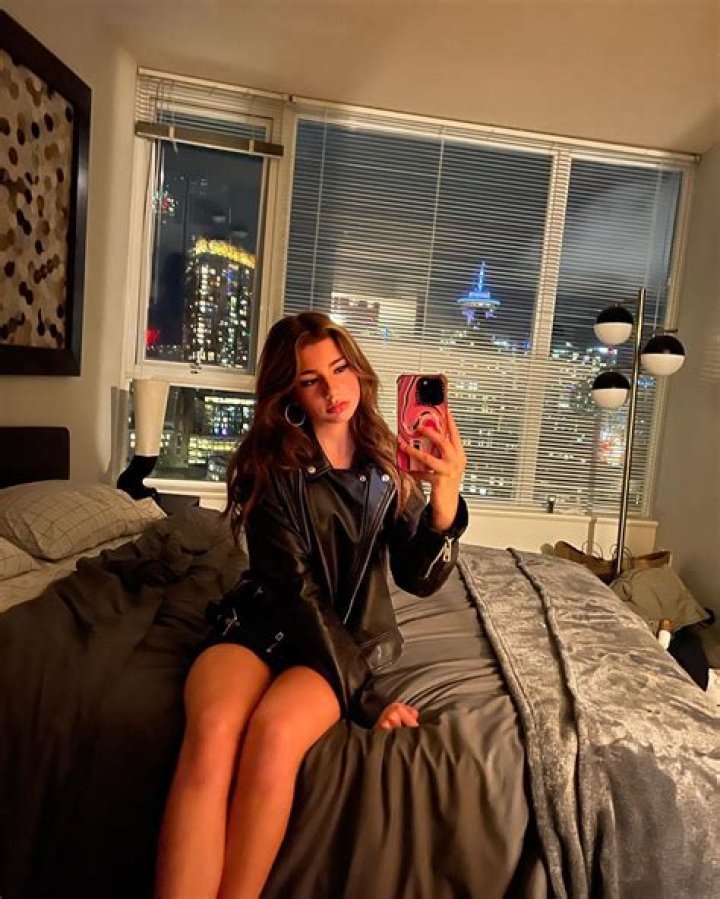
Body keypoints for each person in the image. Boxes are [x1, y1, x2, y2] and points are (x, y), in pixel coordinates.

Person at [154, 311, 467, 899]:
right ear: (289, 392)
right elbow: (294, 593)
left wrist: (444, 495)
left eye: (340, 369)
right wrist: (367, 698)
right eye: (310, 379)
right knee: (214, 730)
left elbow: (417, 577)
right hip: (266, 623)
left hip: (341, 641)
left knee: (274, 735)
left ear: (358, 371)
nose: (332, 389)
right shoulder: (269, 469)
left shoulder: (385, 462)